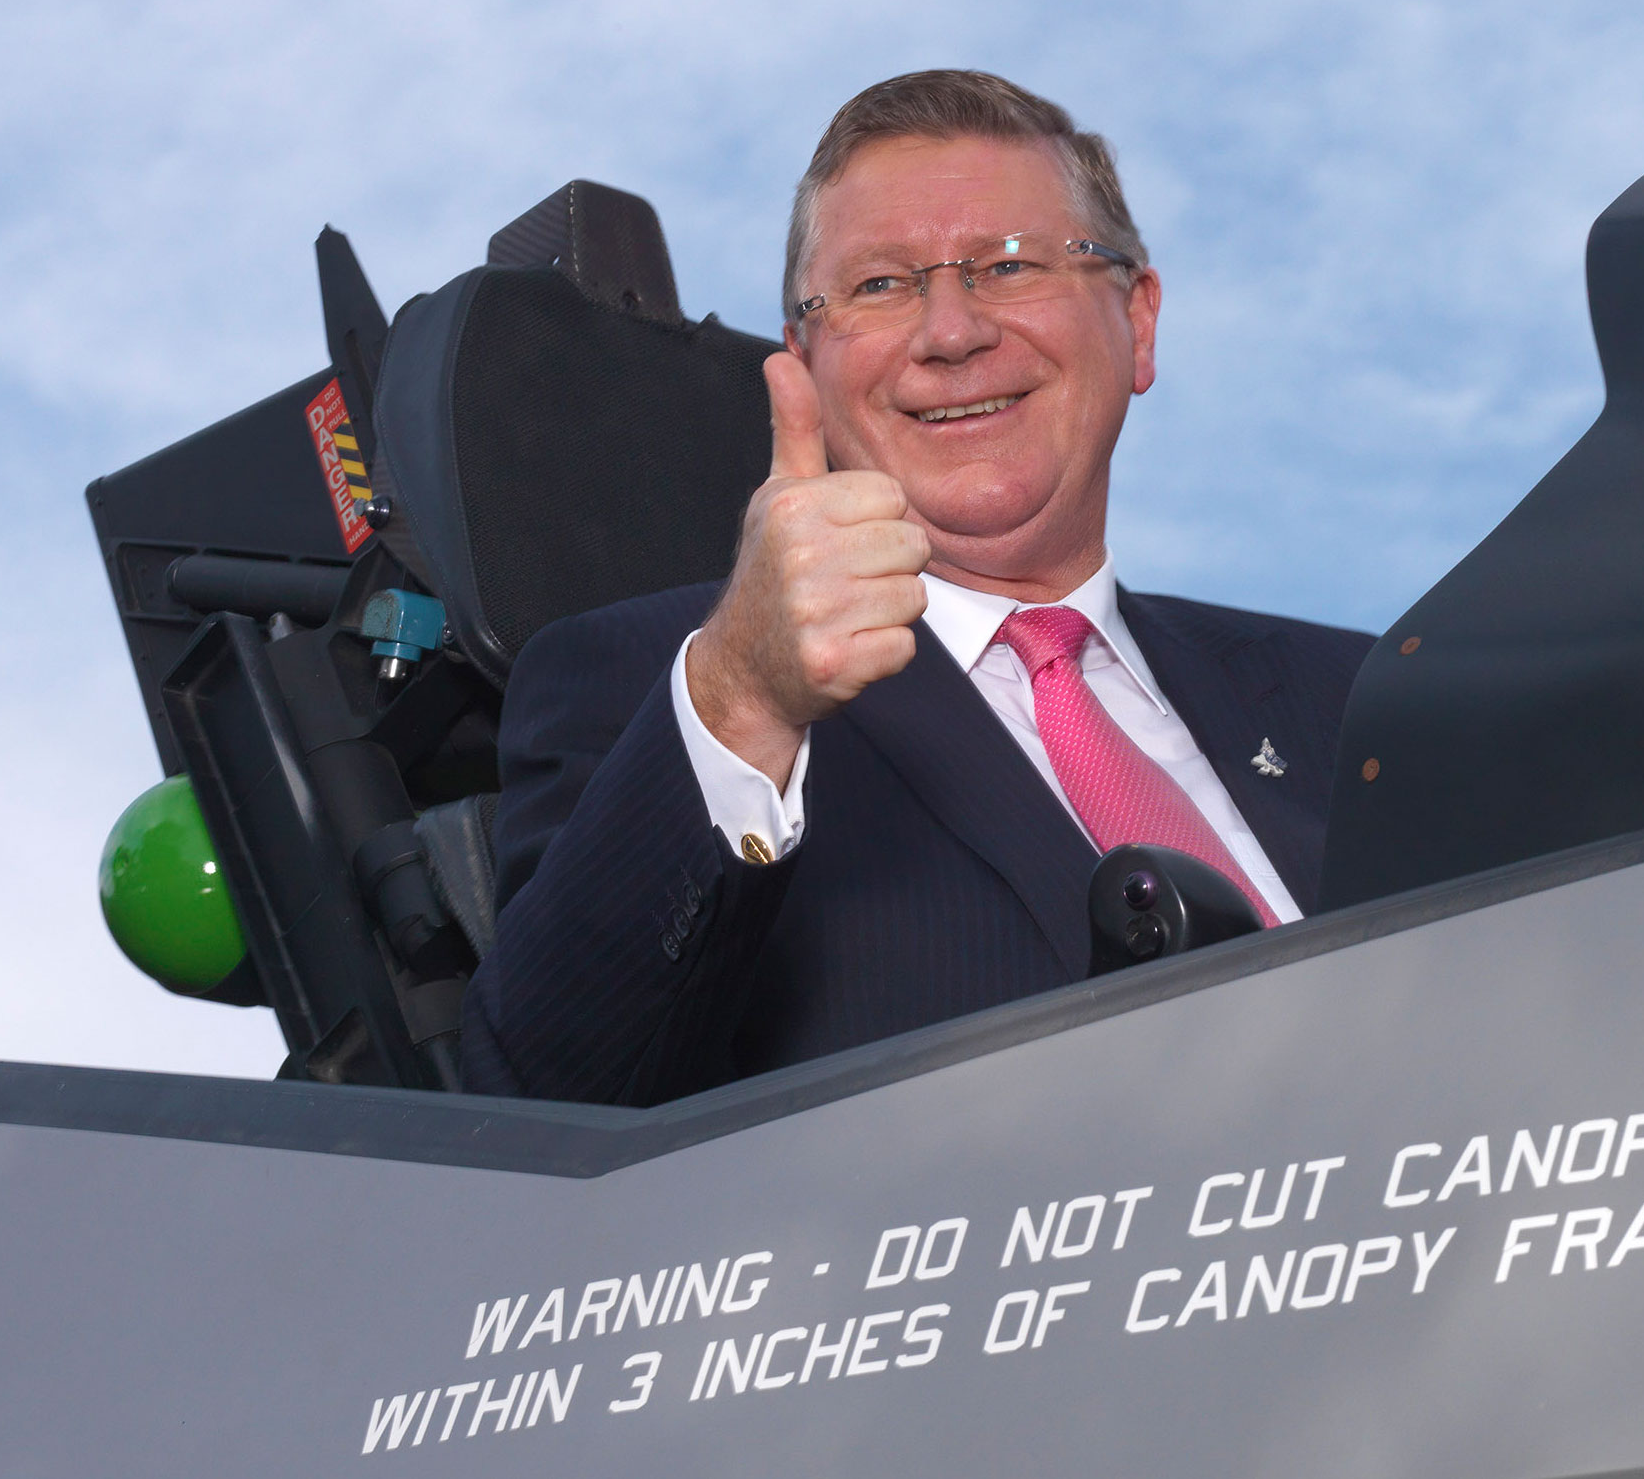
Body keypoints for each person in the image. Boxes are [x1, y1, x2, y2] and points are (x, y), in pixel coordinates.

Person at [476, 71, 1370, 1104]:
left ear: (1139, 320)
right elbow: (543, 1101)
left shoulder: (1360, 696)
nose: (951, 332)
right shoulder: (663, 690)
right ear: (804, 364)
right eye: (878, 286)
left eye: (1009, 264)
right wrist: (745, 699)